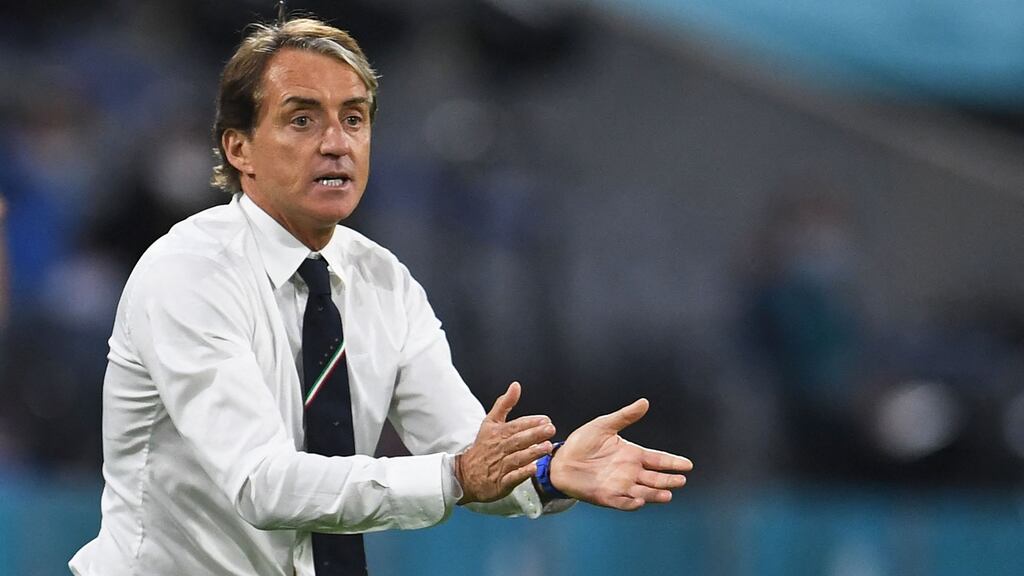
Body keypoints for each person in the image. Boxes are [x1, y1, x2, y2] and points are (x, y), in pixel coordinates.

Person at [69, 16, 693, 576]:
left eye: (354, 117)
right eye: (302, 118)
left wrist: (546, 472)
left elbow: (465, 451)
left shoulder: (383, 280)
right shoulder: (189, 273)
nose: (336, 142)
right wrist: (455, 478)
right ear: (238, 148)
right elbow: (262, 483)